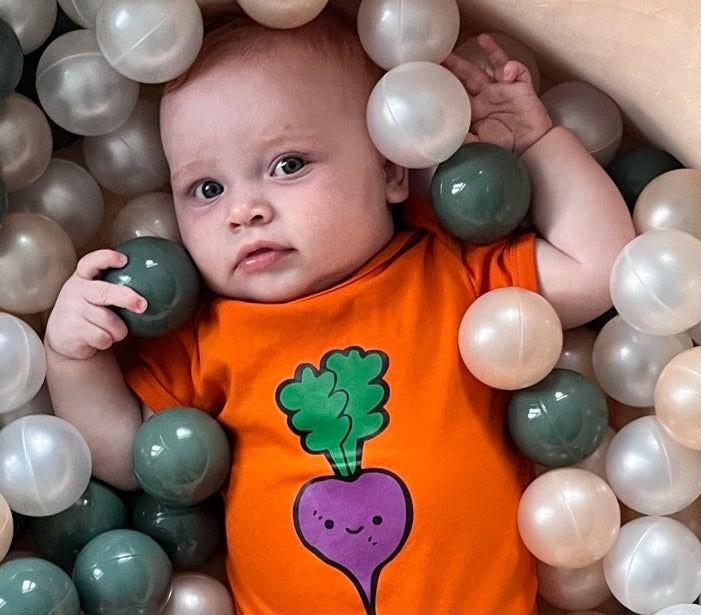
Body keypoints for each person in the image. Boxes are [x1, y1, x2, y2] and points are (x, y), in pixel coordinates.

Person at [44, 6, 635, 615]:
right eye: (207, 189)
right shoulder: (207, 336)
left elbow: (600, 270)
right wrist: (73, 357)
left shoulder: (449, 274)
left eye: (288, 165)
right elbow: (127, 456)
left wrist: (537, 144)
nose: (243, 212)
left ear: (390, 167)